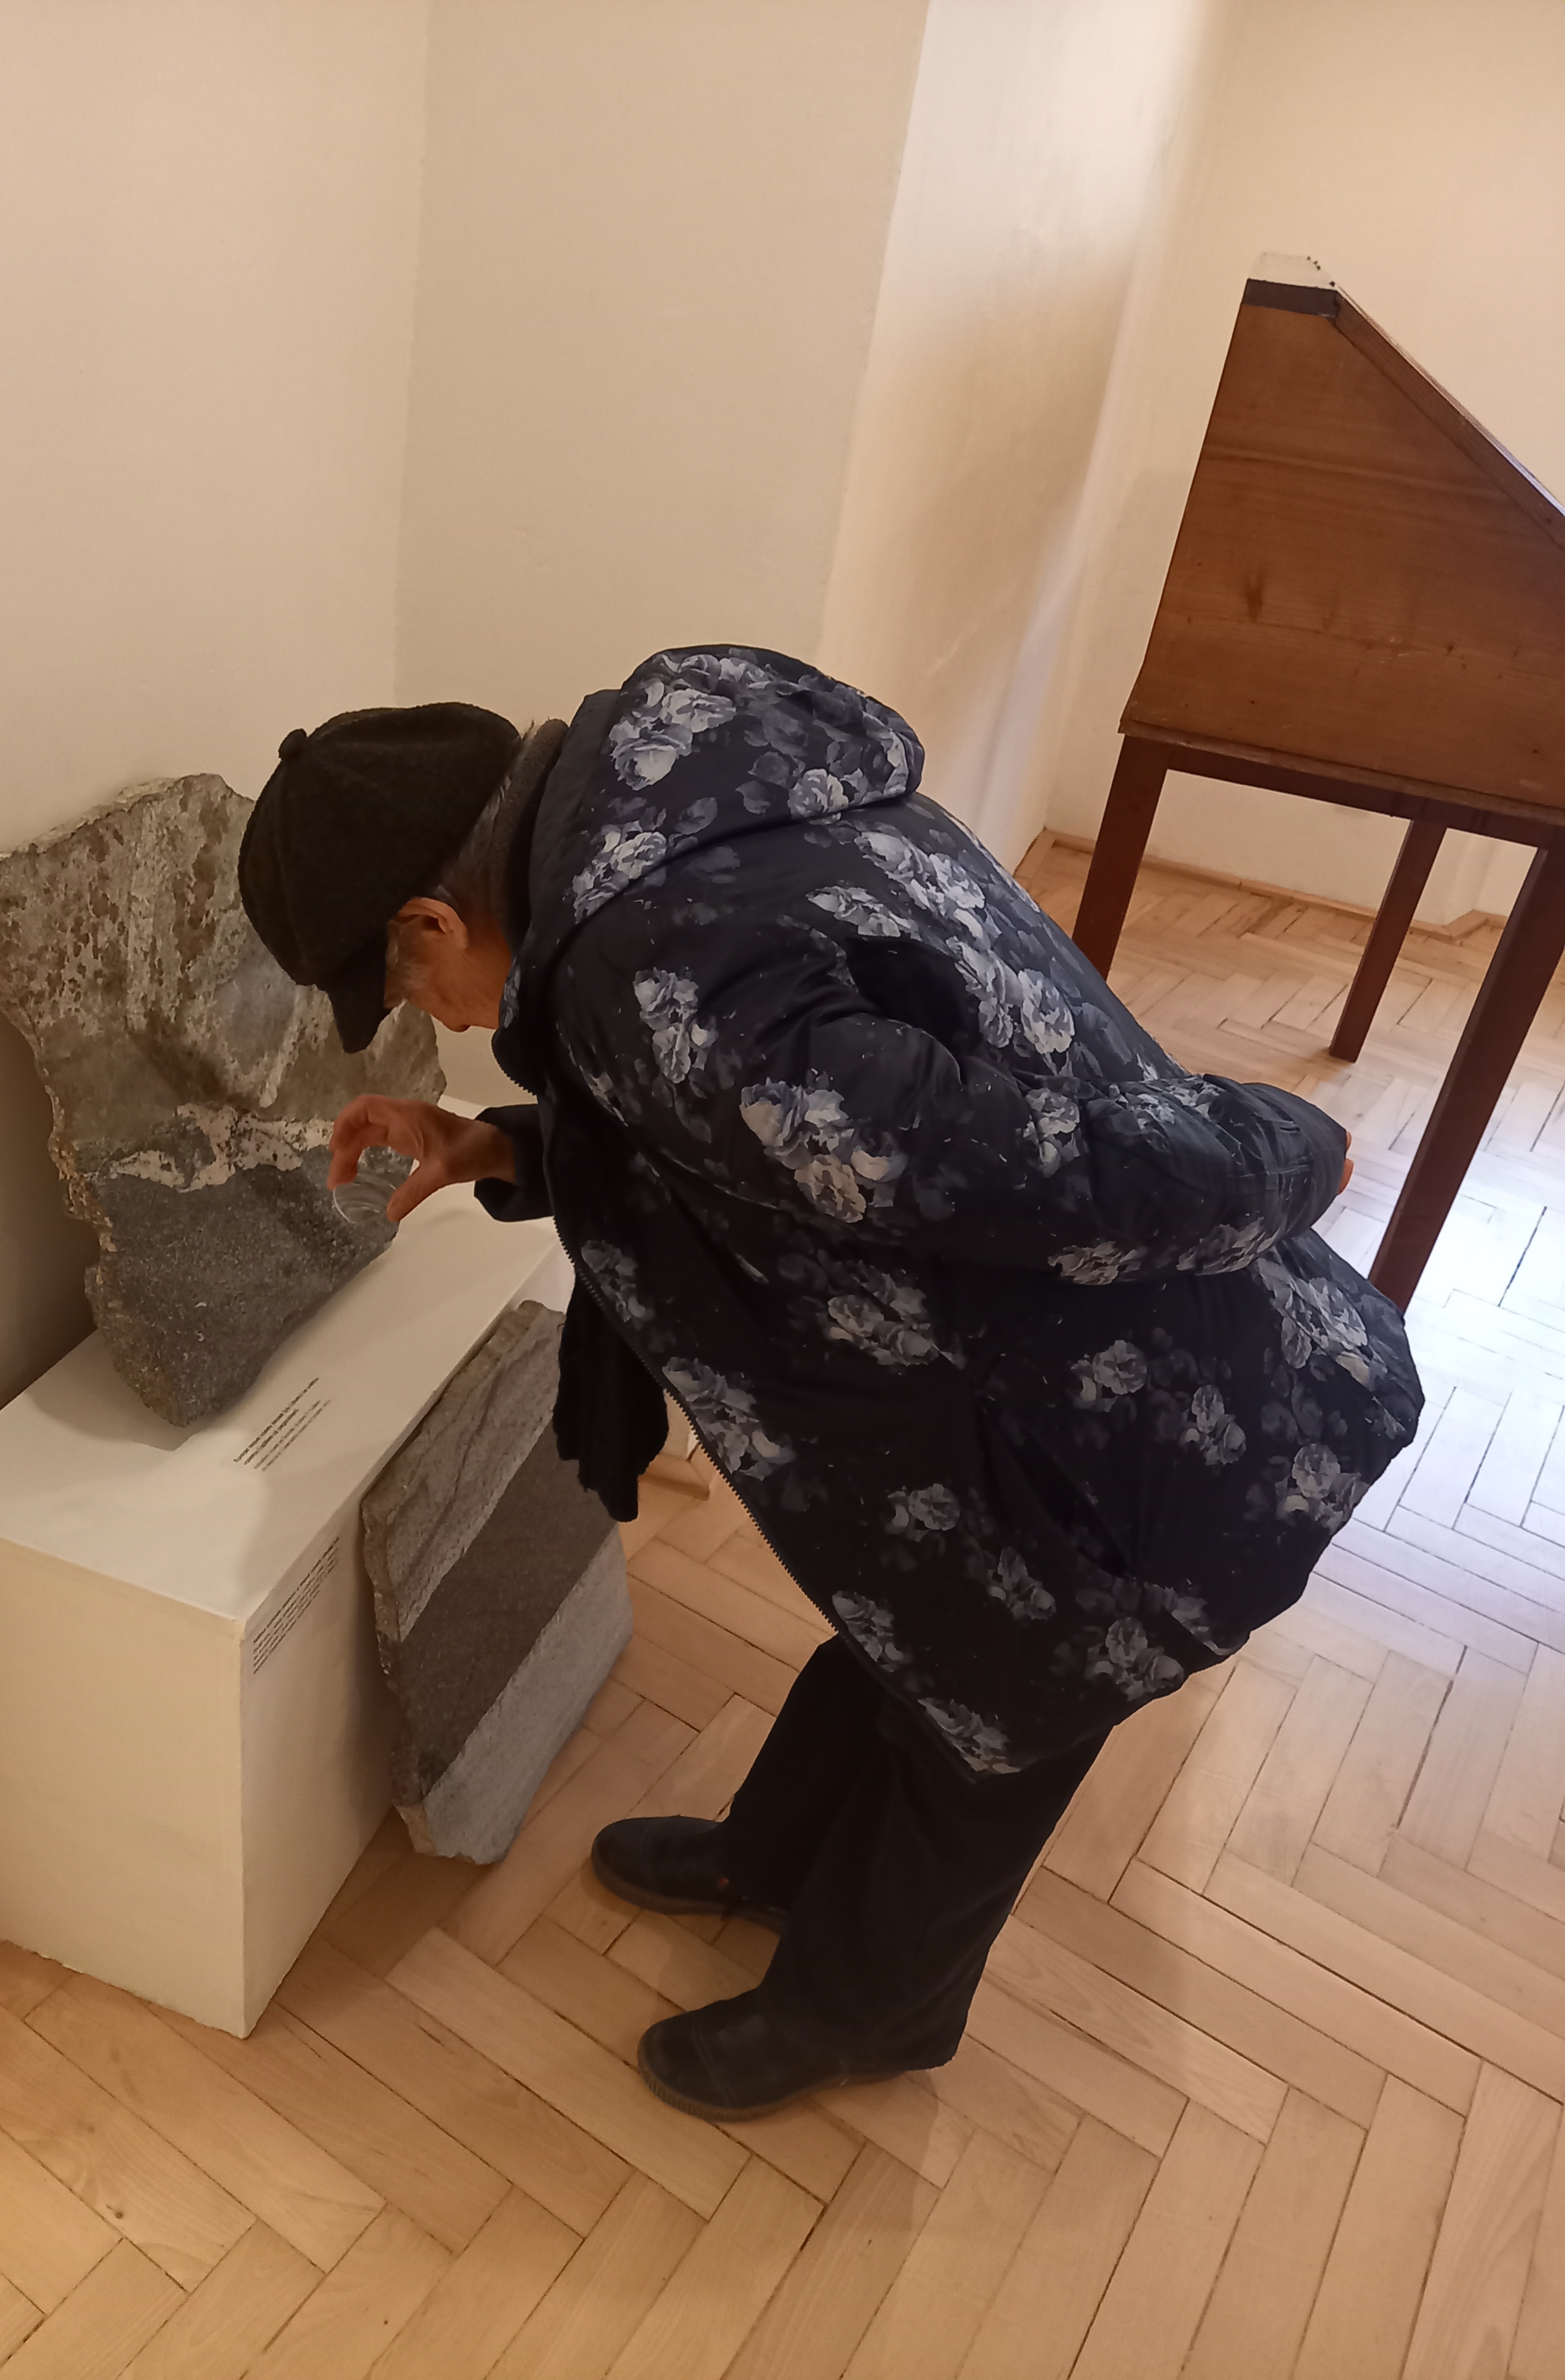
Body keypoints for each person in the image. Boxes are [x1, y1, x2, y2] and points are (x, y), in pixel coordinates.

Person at [237, 646, 1420, 2122]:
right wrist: (497, 1141)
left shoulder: (657, 961)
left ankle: (867, 2008)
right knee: (914, 1626)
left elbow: (1022, 1169)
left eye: (412, 987)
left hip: (1136, 1406)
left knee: (1005, 1705)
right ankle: (779, 1854)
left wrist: (1286, 1152)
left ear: (431, 915)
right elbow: (750, 1127)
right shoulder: (670, 803)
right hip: (1010, 1378)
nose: (452, 1019)